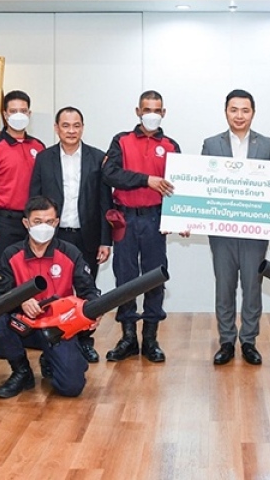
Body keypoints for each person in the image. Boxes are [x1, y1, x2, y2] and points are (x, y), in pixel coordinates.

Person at [0, 196, 101, 398]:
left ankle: (52, 359)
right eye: (37, 222)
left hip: (58, 328)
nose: (44, 227)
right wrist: (21, 301)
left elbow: (88, 291)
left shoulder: (70, 252)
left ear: (57, 222)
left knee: (71, 387)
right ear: (26, 223)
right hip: (24, 325)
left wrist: (95, 310)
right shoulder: (11, 254)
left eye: (49, 222)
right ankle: (21, 371)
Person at [102, 90, 181, 362]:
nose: (152, 115)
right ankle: (127, 337)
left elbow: (180, 186)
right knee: (125, 278)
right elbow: (110, 174)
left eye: (157, 110)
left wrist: (180, 218)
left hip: (155, 219)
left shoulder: (171, 146)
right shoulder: (121, 141)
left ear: (164, 113)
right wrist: (146, 180)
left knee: (155, 277)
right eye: (147, 109)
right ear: (137, 111)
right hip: (125, 219)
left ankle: (150, 338)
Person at [202, 89, 270, 366]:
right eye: (234, 110)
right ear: (226, 112)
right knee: (224, 287)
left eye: (245, 110)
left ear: (253, 113)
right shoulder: (211, 144)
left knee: (252, 287)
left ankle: (248, 341)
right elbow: (201, 185)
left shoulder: (266, 145)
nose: (239, 115)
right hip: (222, 231)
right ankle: (226, 341)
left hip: (255, 232)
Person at [30, 106, 113, 363]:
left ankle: (85, 342)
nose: (71, 131)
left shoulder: (97, 158)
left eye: (76, 125)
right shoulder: (44, 158)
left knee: (87, 293)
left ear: (83, 128)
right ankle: (56, 341)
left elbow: (105, 203)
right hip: (53, 237)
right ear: (56, 128)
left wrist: (105, 240)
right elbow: (34, 199)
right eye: (65, 125)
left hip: (87, 236)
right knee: (56, 292)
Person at [0, 90, 46, 268]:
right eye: (13, 111)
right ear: (5, 115)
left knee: (32, 271)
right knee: (3, 272)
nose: (19, 115)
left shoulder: (39, 146)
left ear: (29, 114)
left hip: (34, 223)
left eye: (23, 111)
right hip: (3, 224)